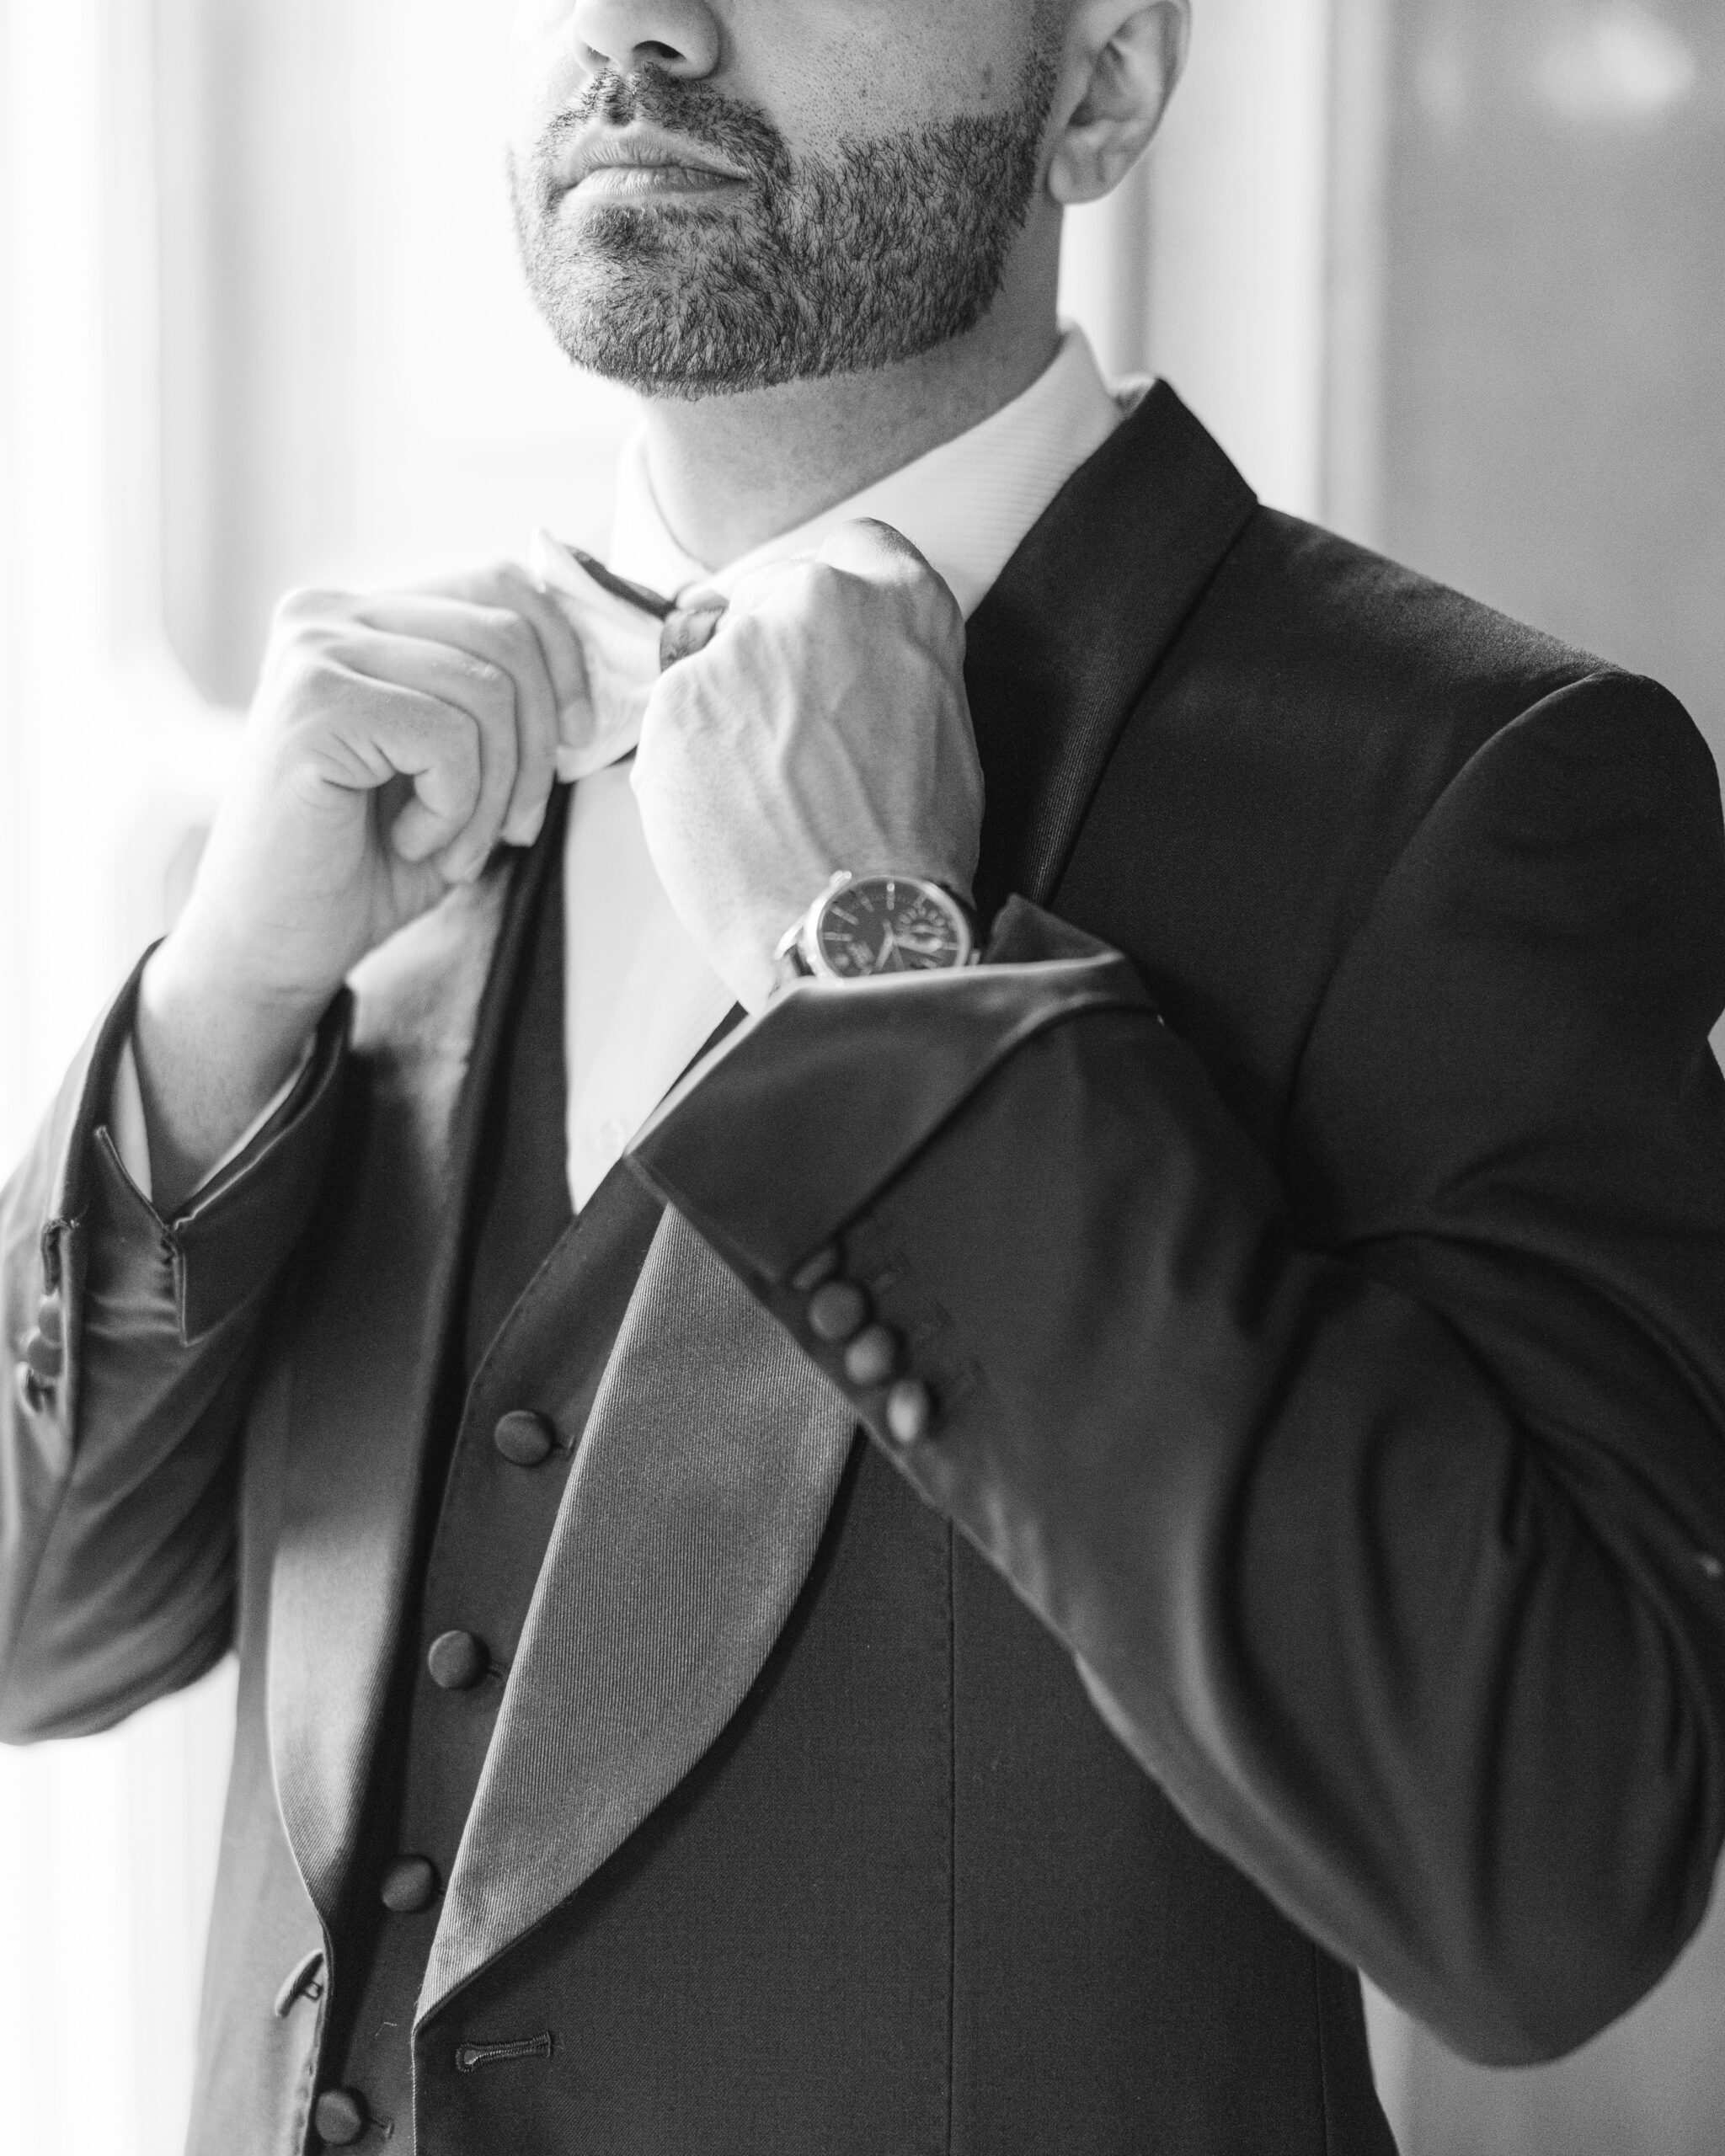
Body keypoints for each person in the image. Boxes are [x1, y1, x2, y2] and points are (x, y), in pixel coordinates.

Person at [5, 0, 1725, 2148]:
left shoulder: (1473, 791)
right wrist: (219, 1006)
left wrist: (886, 985)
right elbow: (36, 1629)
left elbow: (1544, 1871)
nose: (644, 23)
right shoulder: (398, 785)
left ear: (1096, 84)